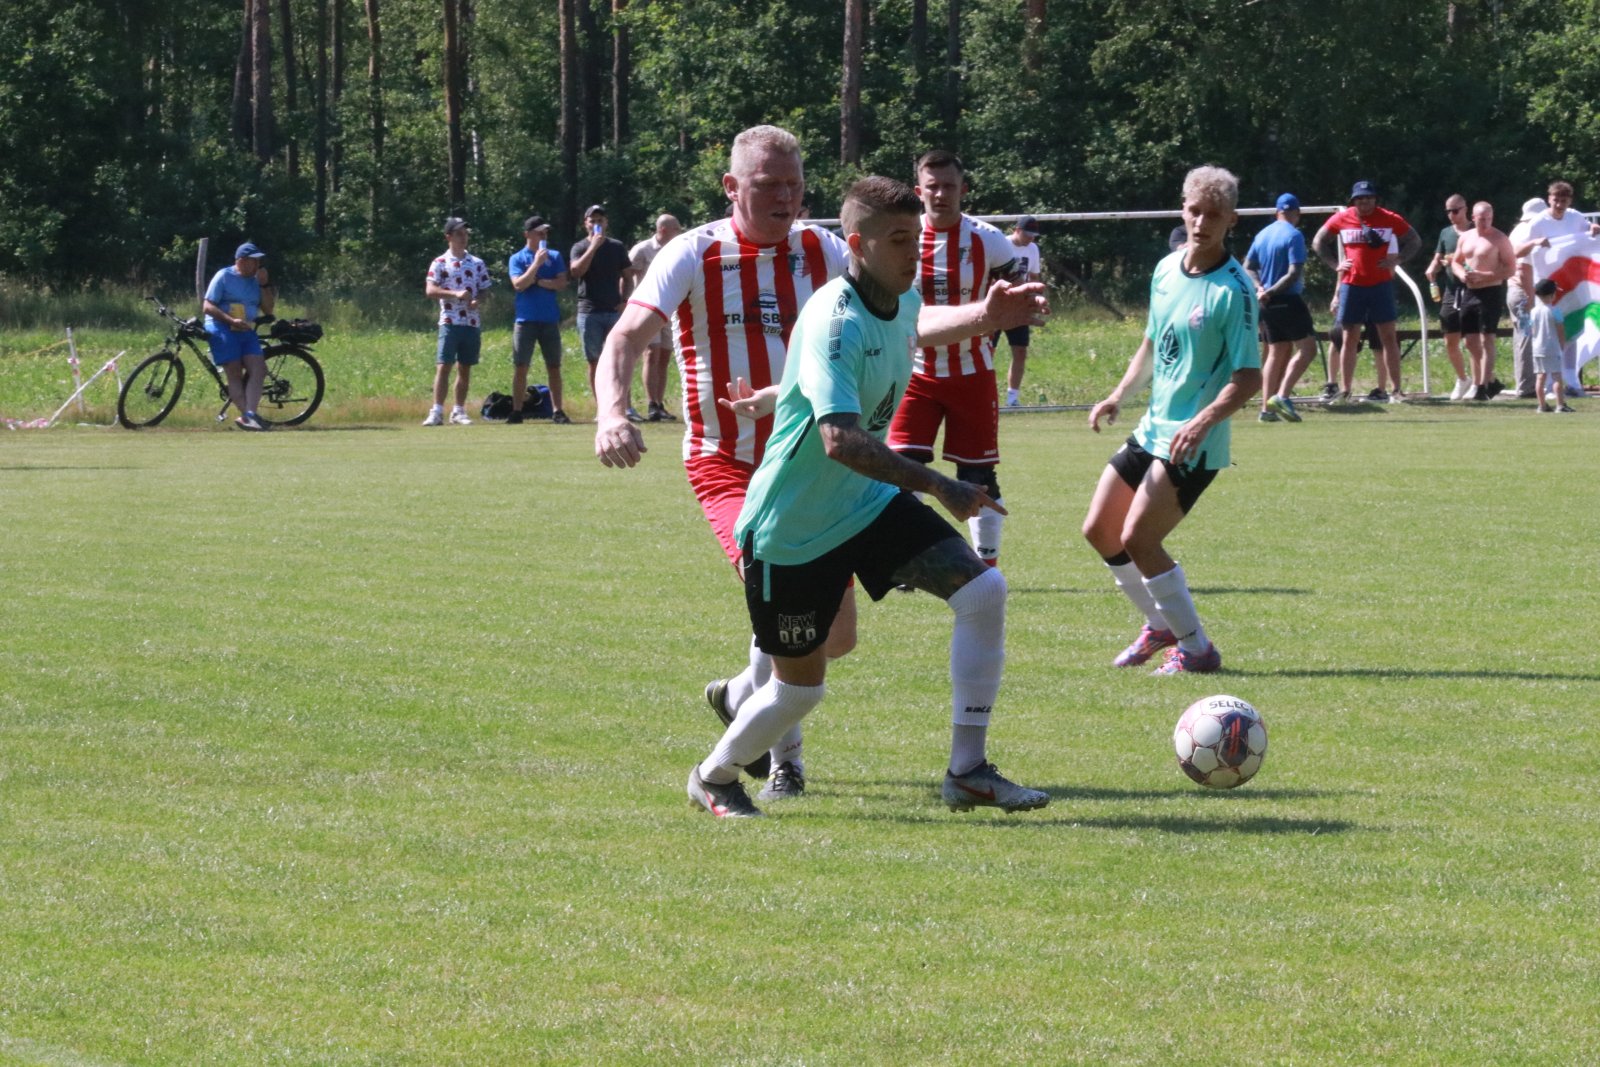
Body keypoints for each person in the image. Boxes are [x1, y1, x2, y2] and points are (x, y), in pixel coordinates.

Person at [594, 125, 1046, 802]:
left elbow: (903, 316)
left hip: (840, 473)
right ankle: (779, 764)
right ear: (730, 188)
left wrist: (984, 313)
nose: (784, 196)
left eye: (795, 184)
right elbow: (626, 335)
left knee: (836, 637)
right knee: (791, 636)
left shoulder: (825, 247)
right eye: (767, 184)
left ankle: (751, 700)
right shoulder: (694, 252)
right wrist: (611, 412)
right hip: (734, 467)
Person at [1082, 165, 1261, 675]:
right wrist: (1119, 394)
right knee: (1099, 529)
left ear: (1231, 220)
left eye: (1213, 215)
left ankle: (1198, 649)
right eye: (1194, 210)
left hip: (1192, 443)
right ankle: (1160, 625)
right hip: (1153, 429)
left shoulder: (1236, 290)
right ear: (1183, 209)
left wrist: (1203, 421)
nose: (1201, 222)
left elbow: (1249, 377)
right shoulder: (1165, 270)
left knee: (1139, 538)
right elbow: (1151, 343)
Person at [886, 149, 1020, 569]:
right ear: (917, 190)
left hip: (972, 374)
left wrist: (999, 326)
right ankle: (909, 560)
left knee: (977, 477)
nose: (941, 194)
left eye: (949, 186)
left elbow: (1017, 300)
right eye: (932, 186)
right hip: (915, 373)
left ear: (963, 190)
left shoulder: (989, 240)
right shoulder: (901, 235)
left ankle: (986, 562)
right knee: (903, 472)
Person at [1312, 180, 1420, 403]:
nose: (1365, 202)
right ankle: (1345, 389)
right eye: (1360, 198)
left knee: (1388, 336)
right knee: (1349, 336)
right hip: (1352, 284)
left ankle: (1396, 390)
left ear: (1375, 199)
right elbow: (1319, 241)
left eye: (1369, 198)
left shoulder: (1389, 218)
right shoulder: (1343, 218)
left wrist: (1397, 260)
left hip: (1381, 285)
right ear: (1353, 200)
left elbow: (1414, 240)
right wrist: (1335, 265)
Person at [1514, 181, 1600, 399]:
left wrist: (1593, 230)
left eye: (1564, 200)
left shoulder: (1575, 217)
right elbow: (1517, 253)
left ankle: (1571, 381)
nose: (1559, 204)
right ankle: (1552, 382)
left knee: (1573, 328)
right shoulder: (1538, 222)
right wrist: (1535, 242)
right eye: (1556, 200)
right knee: (1550, 335)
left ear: (1569, 200)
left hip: (1573, 284)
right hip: (1547, 285)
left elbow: (1586, 240)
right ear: (1549, 199)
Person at [1243, 193, 1316, 423]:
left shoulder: (1263, 234)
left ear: (1277, 212)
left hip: (1266, 304)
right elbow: (1293, 273)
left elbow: (1248, 266)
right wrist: (1272, 291)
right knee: (1308, 349)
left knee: (1276, 351)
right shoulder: (1294, 235)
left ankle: (1266, 410)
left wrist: (1259, 289)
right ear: (1297, 214)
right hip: (1287, 300)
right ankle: (1282, 396)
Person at [422, 218, 493, 426]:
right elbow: (430, 290)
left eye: (466, 234)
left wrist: (477, 300)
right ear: (449, 237)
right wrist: (455, 294)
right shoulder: (439, 263)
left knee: (465, 367)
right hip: (449, 321)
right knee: (443, 365)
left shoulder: (477, 263)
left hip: (471, 323)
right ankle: (436, 411)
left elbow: (486, 289)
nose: (464, 237)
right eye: (459, 234)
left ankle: (459, 410)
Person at [201, 241, 276, 431]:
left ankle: (250, 416)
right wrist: (230, 320)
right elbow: (207, 306)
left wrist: (265, 284)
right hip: (222, 327)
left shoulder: (256, 281)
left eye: (259, 262)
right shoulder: (224, 276)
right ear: (241, 261)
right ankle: (249, 417)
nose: (258, 266)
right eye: (254, 261)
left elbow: (268, 309)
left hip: (245, 329)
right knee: (234, 373)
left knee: (258, 369)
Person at [507, 215, 572, 424]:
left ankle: (558, 410)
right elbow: (519, 284)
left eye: (545, 232)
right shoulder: (517, 258)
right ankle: (517, 411)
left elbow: (562, 283)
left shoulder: (555, 256)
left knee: (554, 366)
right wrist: (536, 264)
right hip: (525, 320)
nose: (544, 235)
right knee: (521, 366)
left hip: (549, 320)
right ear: (528, 234)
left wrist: (540, 282)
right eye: (539, 232)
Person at [1450, 201, 1516, 401]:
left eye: (1489, 218)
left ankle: (1483, 385)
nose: (1486, 222)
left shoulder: (1499, 239)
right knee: (1470, 341)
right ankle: (1490, 381)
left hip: (1491, 291)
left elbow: (1510, 268)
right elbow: (1455, 261)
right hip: (1470, 292)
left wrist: (1485, 275)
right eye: (1482, 219)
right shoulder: (1466, 237)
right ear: (1473, 218)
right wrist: (1462, 274)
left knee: (1487, 338)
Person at [569, 204, 633, 410]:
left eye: (600, 220)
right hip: (589, 312)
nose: (596, 224)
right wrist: (593, 247)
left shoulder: (616, 247)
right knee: (594, 362)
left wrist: (625, 301)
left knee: (620, 360)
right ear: (585, 224)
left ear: (606, 223)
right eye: (592, 220)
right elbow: (576, 272)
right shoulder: (579, 247)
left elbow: (628, 276)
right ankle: (602, 408)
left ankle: (625, 406)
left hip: (614, 311)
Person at [627, 213, 684, 422]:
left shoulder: (676, 250)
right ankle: (652, 404)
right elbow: (627, 275)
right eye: (676, 229)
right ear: (663, 230)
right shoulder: (642, 249)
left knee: (665, 355)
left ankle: (660, 404)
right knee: (651, 353)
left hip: (669, 310)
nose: (679, 232)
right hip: (646, 310)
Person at [1423, 194, 1473, 400]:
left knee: (1473, 340)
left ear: (1465, 209)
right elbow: (1438, 257)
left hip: (1473, 289)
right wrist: (1433, 268)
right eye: (1448, 211)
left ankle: (1480, 382)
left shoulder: (1475, 231)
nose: (1452, 215)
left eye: (1455, 210)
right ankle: (1463, 378)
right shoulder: (1445, 233)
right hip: (1452, 290)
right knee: (1450, 339)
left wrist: (1457, 261)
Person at [996, 215, 1044, 407]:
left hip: (1019, 306)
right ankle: (983, 396)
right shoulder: (1002, 244)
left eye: (1034, 235)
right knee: (985, 351)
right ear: (1017, 229)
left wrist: (1034, 299)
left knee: (1020, 351)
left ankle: (1012, 399)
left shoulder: (1033, 249)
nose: (1031, 238)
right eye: (1028, 234)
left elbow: (1033, 277)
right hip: (998, 306)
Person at [1529, 278, 1570, 413]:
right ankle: (1560, 404)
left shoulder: (1533, 311)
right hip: (1552, 347)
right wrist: (1562, 344)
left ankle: (1542, 405)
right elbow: (1560, 330)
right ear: (1552, 295)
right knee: (1557, 376)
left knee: (1540, 377)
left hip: (1537, 348)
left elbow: (1532, 330)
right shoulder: (1555, 310)